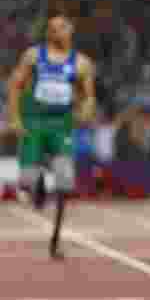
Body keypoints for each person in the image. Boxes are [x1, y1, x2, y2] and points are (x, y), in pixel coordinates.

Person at [7, 13, 97, 260]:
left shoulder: (81, 63)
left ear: (71, 31)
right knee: (26, 183)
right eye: (53, 28)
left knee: (66, 183)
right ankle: (38, 187)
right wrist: (14, 117)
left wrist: (88, 108)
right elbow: (15, 84)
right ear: (48, 33)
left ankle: (55, 240)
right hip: (34, 123)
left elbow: (88, 95)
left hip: (62, 125)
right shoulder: (34, 56)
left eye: (63, 28)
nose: (58, 32)